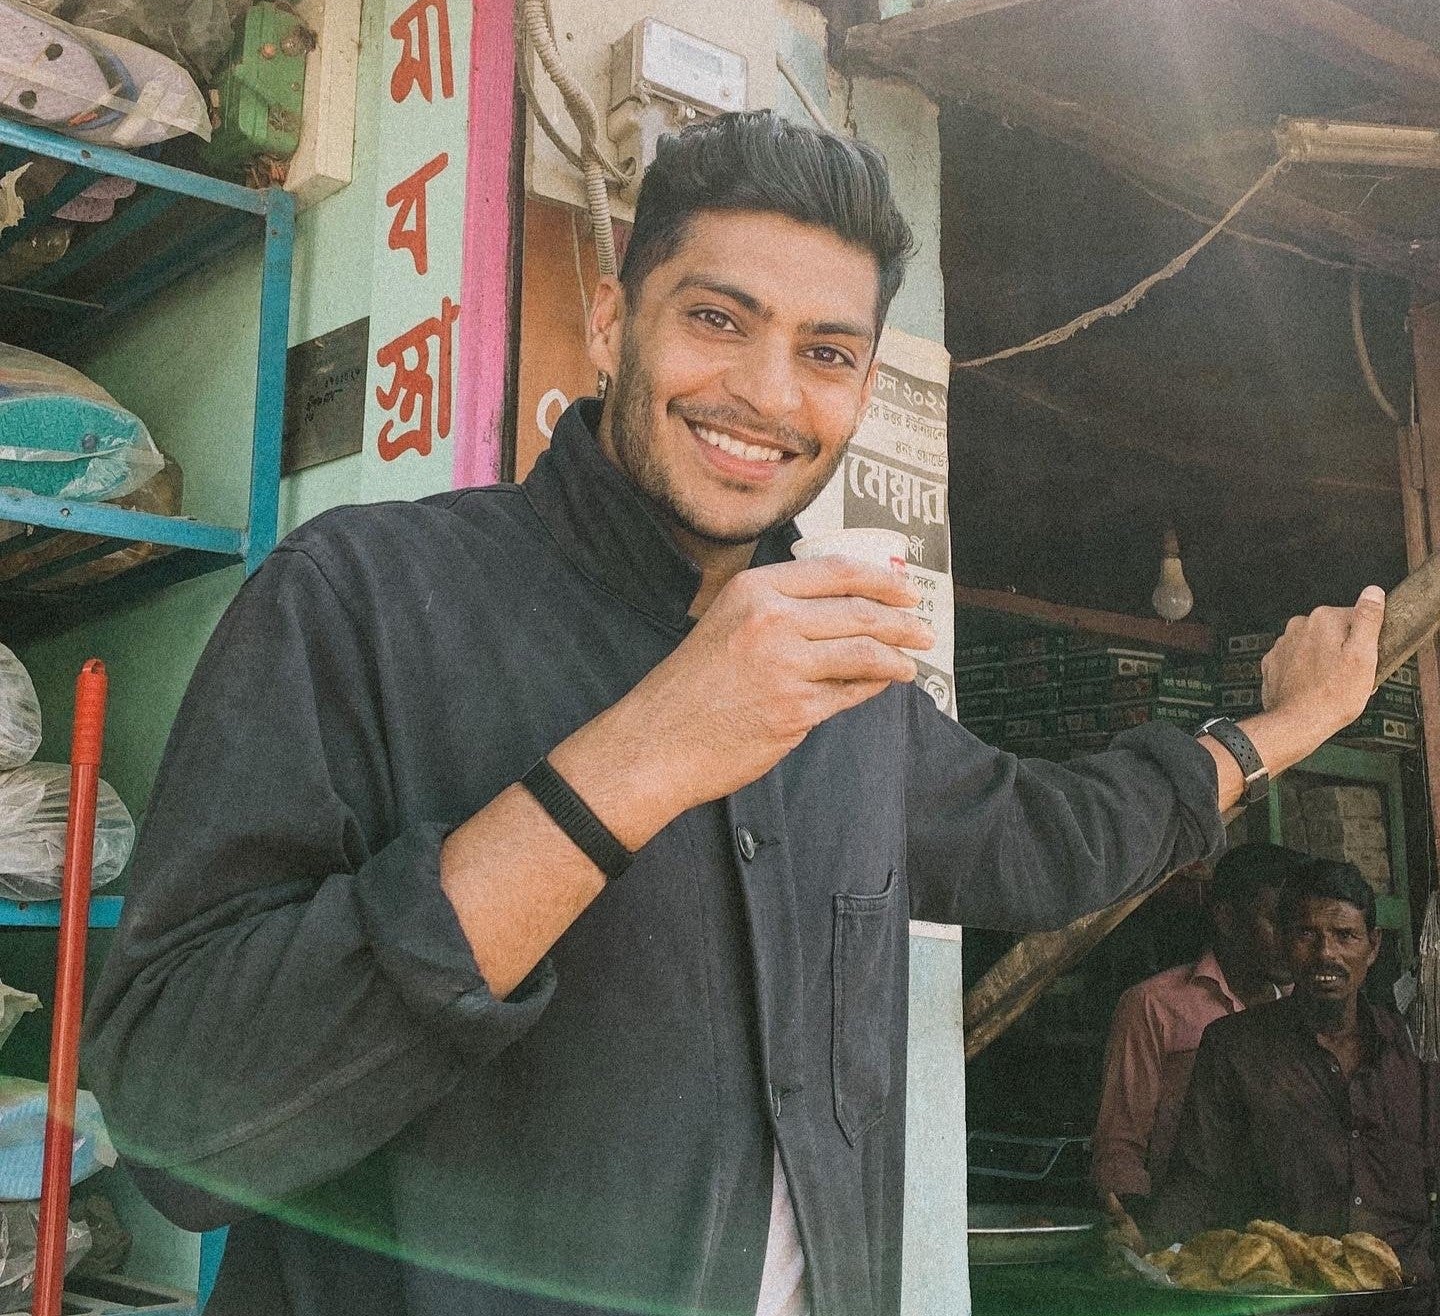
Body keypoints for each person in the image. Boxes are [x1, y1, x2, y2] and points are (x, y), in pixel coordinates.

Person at [81, 111, 1385, 1316]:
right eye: (718, 319)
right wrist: (644, 754)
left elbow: (1040, 838)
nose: (768, 393)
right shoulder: (357, 598)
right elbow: (181, 1129)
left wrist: (1273, 731)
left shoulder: (839, 675)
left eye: (827, 352)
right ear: (611, 323)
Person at [1154, 858, 1438, 1294]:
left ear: (1373, 947)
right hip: (1290, 1291)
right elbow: (1198, 1179)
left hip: (1409, 1287)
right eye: (1308, 934)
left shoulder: (1410, 1043)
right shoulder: (1234, 1046)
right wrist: (1147, 1245)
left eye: (1345, 936)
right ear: (1284, 944)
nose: (1327, 953)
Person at [1093, 841, 1308, 1233]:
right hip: (1184, 1233)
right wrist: (1146, 1238)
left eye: (1300, 925)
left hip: (1284, 1235)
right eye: (1277, 921)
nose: (1292, 941)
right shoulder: (1153, 1004)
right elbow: (1119, 1147)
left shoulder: (1304, 1013)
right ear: (1226, 917)